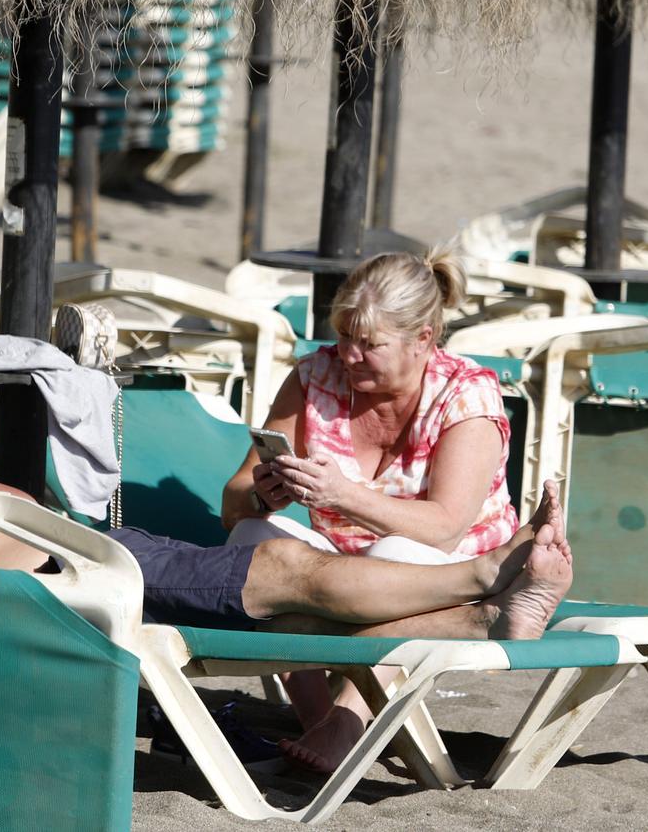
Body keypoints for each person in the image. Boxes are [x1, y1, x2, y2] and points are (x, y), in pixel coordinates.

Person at [0, 333, 574, 650]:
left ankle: (481, 618)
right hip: (86, 582)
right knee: (289, 572)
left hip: (97, 560)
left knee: (296, 616)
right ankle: (483, 573)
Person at [218, 249, 519, 769]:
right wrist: (263, 495)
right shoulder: (316, 377)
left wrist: (343, 497)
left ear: (423, 339)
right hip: (339, 570)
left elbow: (445, 528)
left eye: (369, 344)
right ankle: (320, 724)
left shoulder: (466, 395)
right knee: (250, 541)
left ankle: (349, 720)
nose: (350, 355)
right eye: (345, 337)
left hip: (452, 577)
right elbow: (233, 502)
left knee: (398, 549)